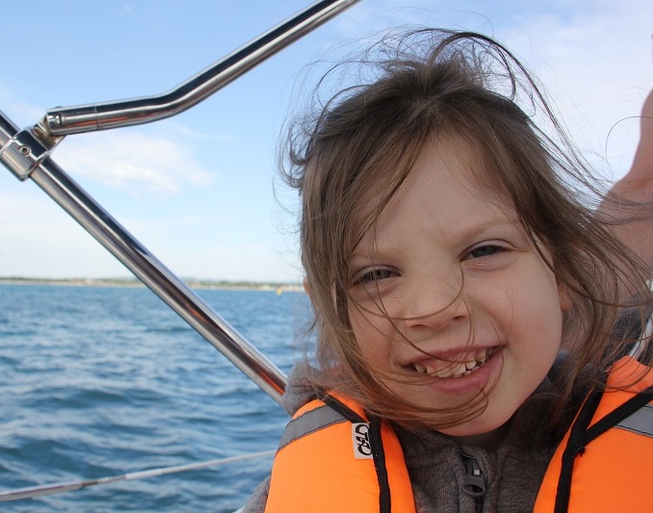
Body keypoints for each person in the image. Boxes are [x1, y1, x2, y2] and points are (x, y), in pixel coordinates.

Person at [243, 29, 653, 513]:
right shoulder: (300, 482)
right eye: (376, 275)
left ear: (562, 269)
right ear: (336, 312)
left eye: (483, 251)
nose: (434, 309)